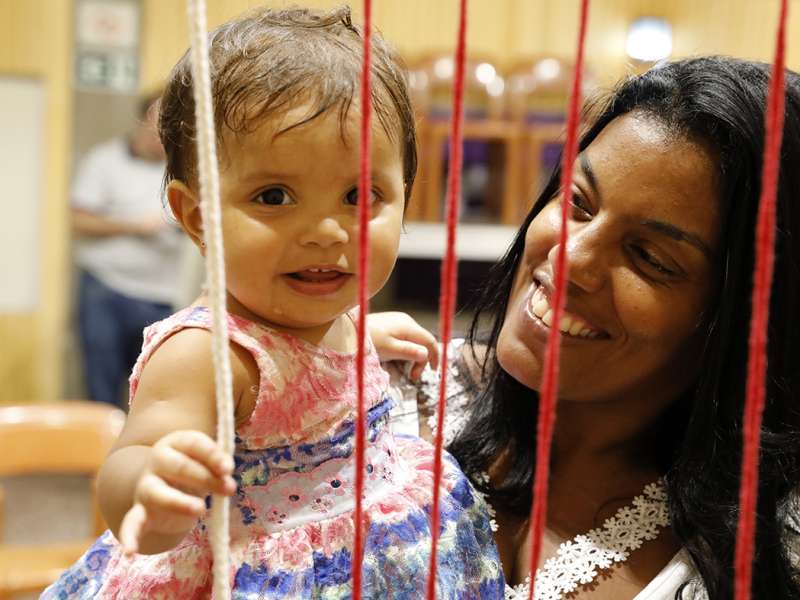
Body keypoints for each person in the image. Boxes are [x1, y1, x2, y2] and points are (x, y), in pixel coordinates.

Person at [42, 6, 503, 599]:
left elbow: (311, 364)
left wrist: (360, 336)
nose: (326, 231)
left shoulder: (325, 315)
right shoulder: (206, 354)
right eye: (274, 195)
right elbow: (130, 460)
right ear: (196, 215)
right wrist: (153, 486)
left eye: (361, 194)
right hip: (265, 573)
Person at [373, 56, 800, 598]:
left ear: (742, 322)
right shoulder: (381, 388)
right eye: (577, 202)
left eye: (649, 256)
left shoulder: (750, 562)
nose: (571, 258)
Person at [72, 91, 182, 407]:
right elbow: (78, 220)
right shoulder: (104, 160)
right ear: (144, 119)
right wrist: (135, 227)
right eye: (160, 122)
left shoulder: (188, 168)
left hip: (164, 297)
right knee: (102, 388)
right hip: (106, 289)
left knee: (153, 391)